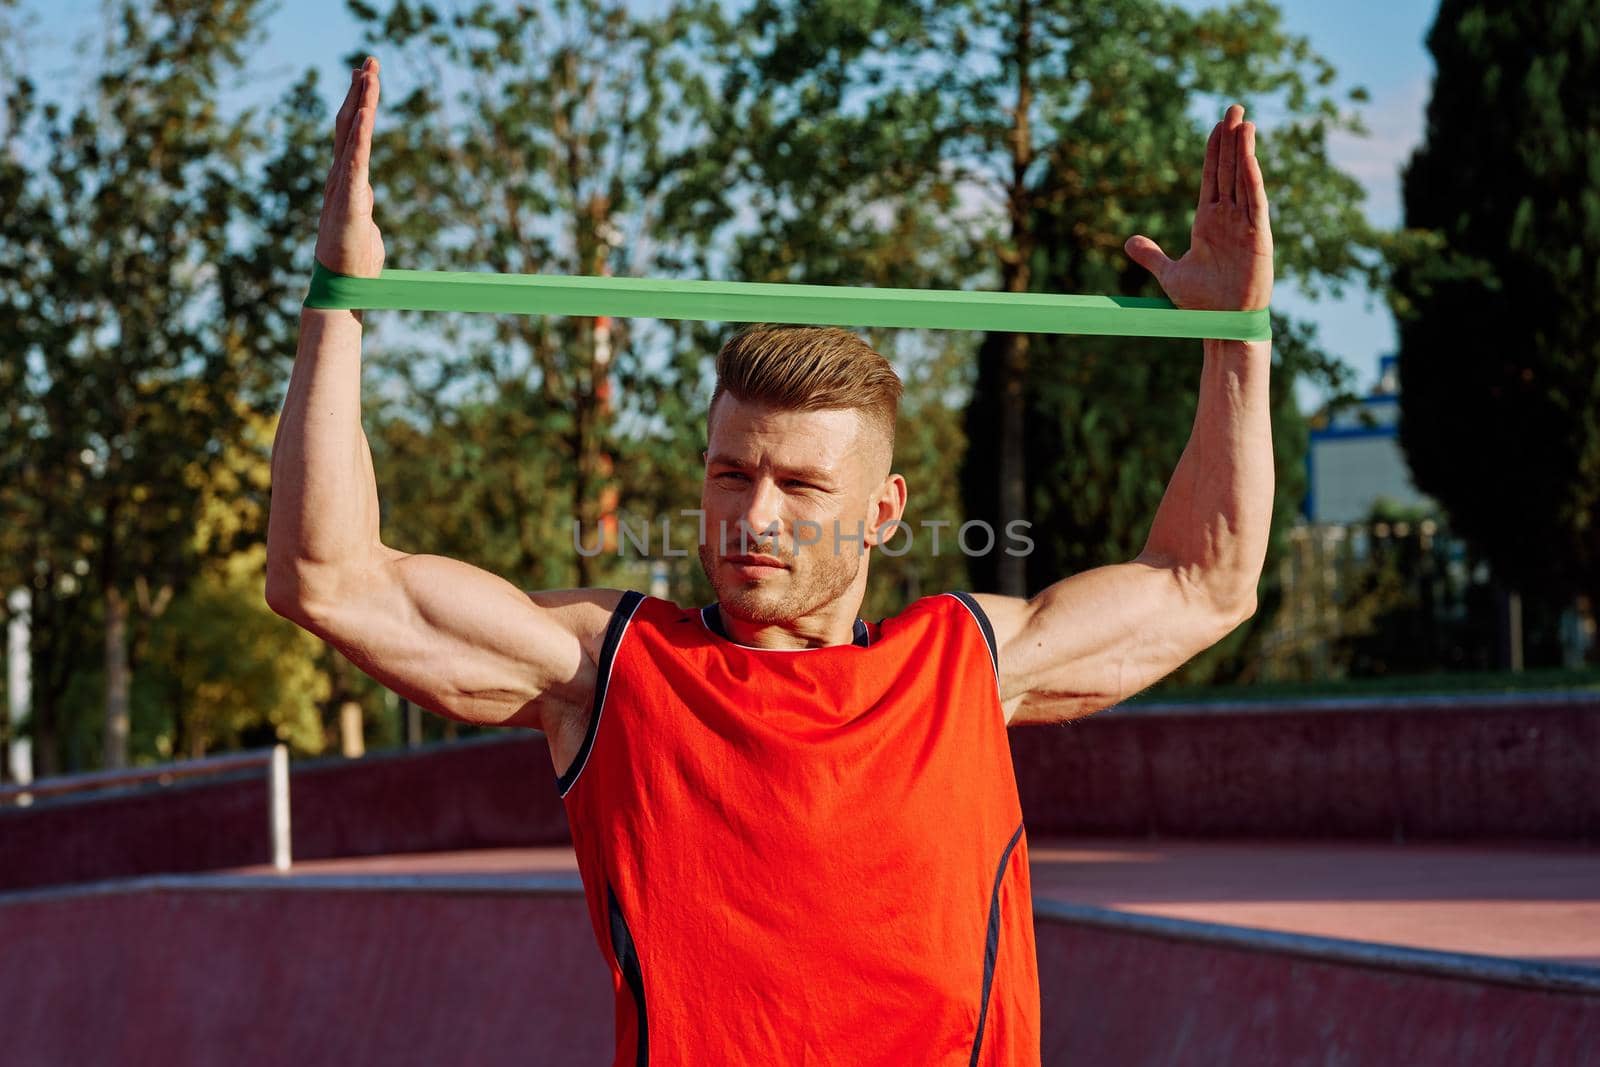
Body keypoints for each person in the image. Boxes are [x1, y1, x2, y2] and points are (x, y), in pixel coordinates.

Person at [266, 54, 1273, 1067]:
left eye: (799, 486)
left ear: (883, 512)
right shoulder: (612, 667)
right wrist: (338, 300)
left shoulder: (961, 665)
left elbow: (1205, 577)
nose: (753, 514)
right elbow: (328, 574)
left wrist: (1237, 337)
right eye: (728, 474)